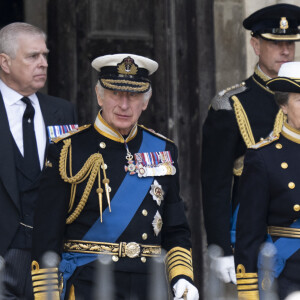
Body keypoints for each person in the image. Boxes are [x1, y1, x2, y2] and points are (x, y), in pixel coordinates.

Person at [30, 53, 199, 300]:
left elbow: (176, 229)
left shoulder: (162, 150)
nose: (124, 105)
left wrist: (182, 277)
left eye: (133, 96)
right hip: (89, 284)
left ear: (146, 101)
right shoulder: (67, 149)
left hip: (147, 287)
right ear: (99, 96)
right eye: (115, 94)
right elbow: (46, 237)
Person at [201, 3, 300, 284]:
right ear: (255, 44)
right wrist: (220, 249)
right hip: (252, 238)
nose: (285, 51)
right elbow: (216, 185)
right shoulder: (231, 105)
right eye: (275, 43)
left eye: (290, 43)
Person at [0, 22, 77, 299]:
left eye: (45, 55)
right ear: (4, 62)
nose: (43, 63)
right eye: (33, 56)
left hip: (50, 256)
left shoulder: (63, 111)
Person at [235, 61, 300, 299]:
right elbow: (249, 235)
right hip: (287, 278)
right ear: (283, 105)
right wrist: (250, 293)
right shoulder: (263, 157)